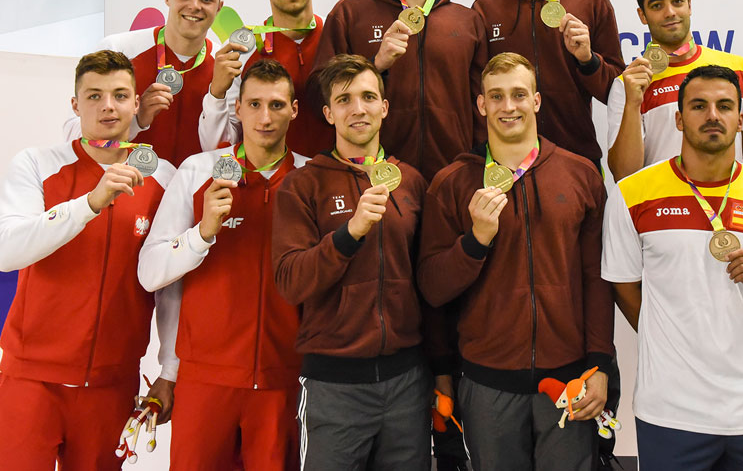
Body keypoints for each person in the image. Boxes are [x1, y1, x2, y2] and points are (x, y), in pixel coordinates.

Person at [417, 52, 614, 471]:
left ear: (537, 101)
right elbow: (432, 287)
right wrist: (475, 242)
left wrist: (600, 363)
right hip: (487, 383)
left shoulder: (580, 175)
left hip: (569, 380)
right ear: (481, 105)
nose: (509, 107)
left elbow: (596, 278)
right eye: (497, 96)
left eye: (519, 95)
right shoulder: (451, 182)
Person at [603, 65, 743, 470]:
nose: (713, 115)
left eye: (724, 106)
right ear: (679, 118)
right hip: (670, 412)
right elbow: (623, 287)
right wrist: (669, 335)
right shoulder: (632, 194)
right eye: (699, 105)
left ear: (740, 119)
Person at [0, 50, 178, 469]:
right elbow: (9, 249)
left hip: (110, 385)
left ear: (137, 103)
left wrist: (170, 369)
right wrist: (90, 204)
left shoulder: (163, 177)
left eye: (119, 95)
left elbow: (171, 286)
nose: (108, 106)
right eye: (94, 96)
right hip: (31, 378)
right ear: (76, 104)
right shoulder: (37, 164)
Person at [138, 59, 306, 469]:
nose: (265, 117)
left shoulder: (310, 177)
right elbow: (150, 272)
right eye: (254, 104)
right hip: (205, 379)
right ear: (238, 109)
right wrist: (202, 233)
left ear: (295, 110)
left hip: (282, 380)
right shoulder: (198, 171)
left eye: (277, 105)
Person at [272, 54, 430, 470]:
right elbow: (290, 281)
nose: (357, 109)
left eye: (367, 97)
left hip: (406, 383)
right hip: (333, 385)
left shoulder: (411, 181)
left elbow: (428, 282)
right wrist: (349, 234)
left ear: (385, 107)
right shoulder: (302, 185)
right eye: (344, 100)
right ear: (328, 113)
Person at [312, 0, 487, 183]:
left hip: (451, 177)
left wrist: (474, 167)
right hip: (370, 176)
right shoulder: (351, 14)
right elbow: (318, 95)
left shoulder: (468, 22)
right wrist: (376, 65)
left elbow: (483, 106)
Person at [473, 0, 625, 168]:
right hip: (506, 165)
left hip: (577, 158)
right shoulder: (486, 8)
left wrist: (587, 60)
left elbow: (615, 92)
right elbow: (476, 92)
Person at [607, 0, 743, 181]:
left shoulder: (739, 69)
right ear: (642, 15)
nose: (670, 12)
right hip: (662, 208)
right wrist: (633, 102)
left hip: (729, 209)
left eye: (677, 1)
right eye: (657, 5)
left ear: (689, 5)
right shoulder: (629, 83)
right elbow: (624, 175)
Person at [64, 0, 224, 166]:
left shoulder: (225, 65)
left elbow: (232, 144)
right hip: (126, 190)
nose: (194, 6)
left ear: (219, 7)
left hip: (195, 193)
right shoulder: (118, 49)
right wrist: (136, 120)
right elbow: (73, 134)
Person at [199, 0, 334, 158]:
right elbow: (219, 145)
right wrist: (216, 93)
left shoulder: (337, 35)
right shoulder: (244, 48)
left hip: (334, 182)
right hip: (270, 183)